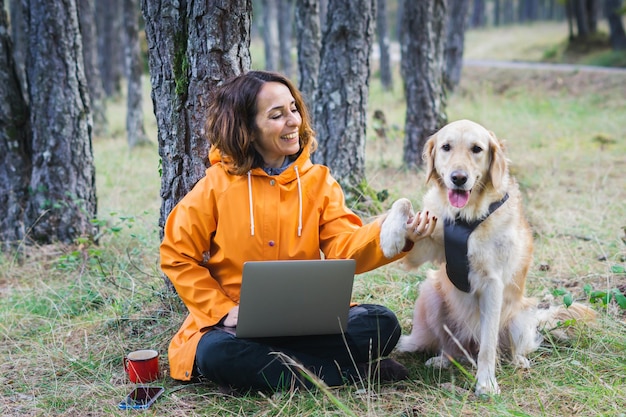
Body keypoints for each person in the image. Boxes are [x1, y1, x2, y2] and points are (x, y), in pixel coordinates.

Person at [159, 70, 437, 394]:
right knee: (214, 353)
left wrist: (393, 233)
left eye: (293, 109)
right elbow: (176, 255)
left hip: (311, 322)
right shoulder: (214, 187)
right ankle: (348, 373)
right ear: (246, 128)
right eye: (276, 115)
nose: (293, 121)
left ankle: (273, 372)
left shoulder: (319, 183)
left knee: (382, 324)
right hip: (239, 329)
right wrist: (222, 310)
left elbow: (343, 248)